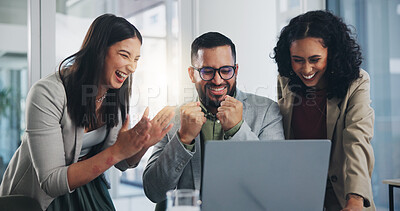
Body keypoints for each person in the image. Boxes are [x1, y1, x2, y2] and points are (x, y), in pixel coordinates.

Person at [0, 14, 175, 210]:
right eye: (124, 55)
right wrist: (118, 150)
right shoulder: (47, 93)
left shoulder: (113, 93)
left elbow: (122, 163)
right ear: (99, 50)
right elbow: (51, 182)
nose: (132, 67)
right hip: (41, 198)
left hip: (88, 186)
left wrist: (142, 143)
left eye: (136, 59)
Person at [143, 32, 285, 210]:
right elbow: (154, 191)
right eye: (207, 72)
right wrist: (183, 139)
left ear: (236, 70)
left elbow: (274, 185)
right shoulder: (173, 117)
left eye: (226, 71)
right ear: (191, 74)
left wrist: (237, 130)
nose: (218, 80)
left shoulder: (267, 111)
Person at [273, 10, 375, 211]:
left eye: (314, 59)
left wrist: (355, 198)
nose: (306, 69)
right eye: (298, 60)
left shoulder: (357, 82)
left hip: (342, 194)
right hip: (299, 194)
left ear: (333, 55)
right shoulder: (285, 80)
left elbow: (357, 139)